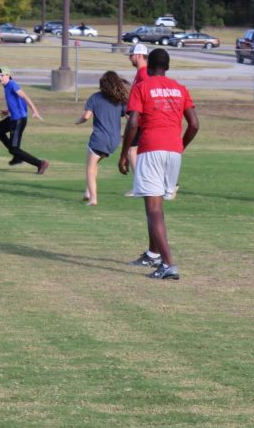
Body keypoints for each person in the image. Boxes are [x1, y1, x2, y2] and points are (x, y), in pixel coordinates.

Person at [118, 48, 199, 280]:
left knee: (152, 210)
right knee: (157, 207)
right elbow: (194, 124)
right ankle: (154, 254)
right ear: (168, 66)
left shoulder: (142, 87)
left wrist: (124, 154)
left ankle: (168, 264)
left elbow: (133, 122)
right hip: (174, 152)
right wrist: (180, 146)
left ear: (149, 65)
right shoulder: (180, 88)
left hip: (151, 148)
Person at [75, 71, 129, 206]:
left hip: (99, 140)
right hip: (114, 141)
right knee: (95, 164)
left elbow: (86, 116)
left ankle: (93, 199)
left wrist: (78, 121)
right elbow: (130, 117)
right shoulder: (119, 100)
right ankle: (87, 192)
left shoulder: (95, 98)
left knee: (89, 168)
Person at [0, 67, 49, 175]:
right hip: (13, 117)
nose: (0, 78)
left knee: (14, 148)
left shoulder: (12, 84)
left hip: (18, 120)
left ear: (9, 75)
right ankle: (17, 157)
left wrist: (35, 110)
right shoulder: (6, 86)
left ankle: (40, 163)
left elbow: (24, 96)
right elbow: (15, 101)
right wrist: (8, 111)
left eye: (2, 75)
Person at [123, 43, 149, 197]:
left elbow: (147, 96)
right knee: (141, 152)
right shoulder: (141, 73)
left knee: (132, 151)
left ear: (138, 55)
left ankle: (139, 186)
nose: (129, 58)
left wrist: (135, 113)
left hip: (140, 120)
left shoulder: (144, 74)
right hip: (138, 118)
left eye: (131, 55)